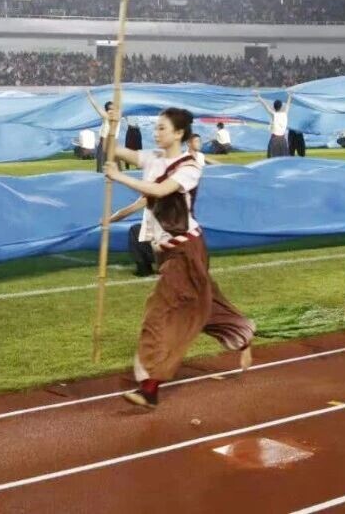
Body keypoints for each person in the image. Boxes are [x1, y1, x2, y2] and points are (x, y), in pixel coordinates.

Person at [104, 107, 254, 408]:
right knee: (202, 303)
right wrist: (112, 125)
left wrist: (119, 177)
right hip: (168, 252)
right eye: (156, 128)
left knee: (159, 311)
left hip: (187, 250)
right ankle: (242, 334)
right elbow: (113, 150)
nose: (156, 133)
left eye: (162, 128)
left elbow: (160, 190)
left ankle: (149, 386)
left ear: (178, 133)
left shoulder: (190, 166)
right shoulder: (152, 158)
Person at [85, 94, 123, 174]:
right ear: (106, 110)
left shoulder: (110, 116)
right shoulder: (110, 116)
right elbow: (97, 107)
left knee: (109, 165)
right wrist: (89, 96)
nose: (111, 111)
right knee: (104, 164)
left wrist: (89, 96)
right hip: (106, 142)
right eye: (109, 109)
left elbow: (96, 107)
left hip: (109, 143)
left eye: (112, 109)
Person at [257, 92, 292, 158]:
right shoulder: (285, 114)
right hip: (283, 140)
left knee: (273, 158)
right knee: (283, 159)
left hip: (275, 139)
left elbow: (266, 106)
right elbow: (288, 105)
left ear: (274, 107)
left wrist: (259, 97)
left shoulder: (274, 115)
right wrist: (290, 96)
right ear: (281, 106)